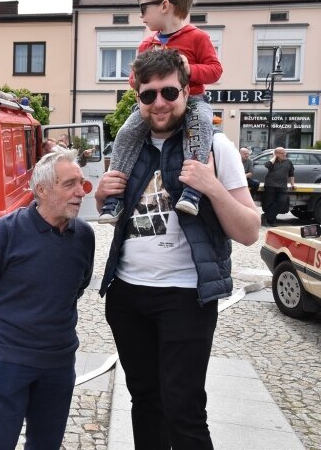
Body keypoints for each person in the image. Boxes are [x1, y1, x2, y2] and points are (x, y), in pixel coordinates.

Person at [95, 49, 260, 450]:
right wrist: (101, 196)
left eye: (169, 91)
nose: (160, 102)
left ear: (186, 92)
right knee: (145, 402)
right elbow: (115, 215)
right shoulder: (127, 148)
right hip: (127, 294)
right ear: (138, 99)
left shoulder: (216, 148)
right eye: (148, 95)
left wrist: (212, 186)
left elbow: (250, 231)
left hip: (186, 296)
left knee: (183, 407)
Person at [0, 148, 95, 450]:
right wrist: (1, 328)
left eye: (82, 183)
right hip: (10, 360)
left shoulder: (85, 237)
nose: (81, 192)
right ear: (42, 190)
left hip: (59, 362)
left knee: (47, 443)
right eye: (70, 184)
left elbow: (78, 286)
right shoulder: (4, 232)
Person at [100, 0, 222, 223]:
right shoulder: (147, 45)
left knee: (199, 130)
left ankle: (193, 191)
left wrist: (189, 70)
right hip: (151, 104)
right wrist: (137, 80)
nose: (141, 14)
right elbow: (134, 79)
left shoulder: (198, 37)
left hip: (193, 101)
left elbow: (215, 70)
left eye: (144, 7)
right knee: (125, 134)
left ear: (165, 5)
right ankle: (114, 198)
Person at [262, 147, 295, 226]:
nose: (284, 154)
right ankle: (272, 220)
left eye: (284, 152)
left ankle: (266, 217)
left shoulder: (288, 162)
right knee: (269, 203)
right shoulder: (272, 162)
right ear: (276, 154)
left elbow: (291, 174)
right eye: (282, 153)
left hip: (282, 186)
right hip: (270, 185)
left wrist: (293, 184)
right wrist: (274, 157)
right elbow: (267, 165)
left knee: (281, 202)